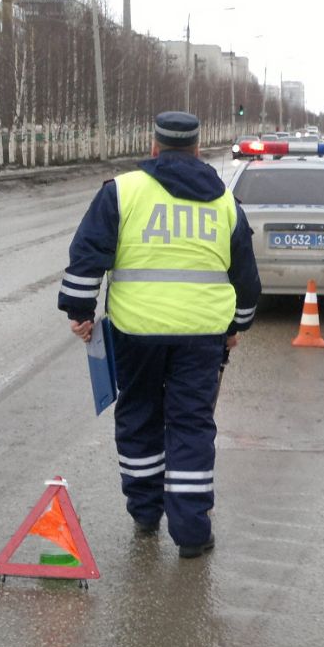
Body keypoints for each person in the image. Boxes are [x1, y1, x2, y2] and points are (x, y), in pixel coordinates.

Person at [58, 111, 261, 559]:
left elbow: (87, 255)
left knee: (139, 417)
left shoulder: (122, 192)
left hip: (137, 331)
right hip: (202, 335)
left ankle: (145, 514)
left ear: (154, 147)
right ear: (195, 148)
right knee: (191, 424)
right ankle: (191, 532)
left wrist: (80, 311)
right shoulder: (224, 202)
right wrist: (236, 327)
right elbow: (246, 277)